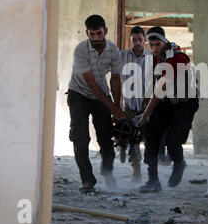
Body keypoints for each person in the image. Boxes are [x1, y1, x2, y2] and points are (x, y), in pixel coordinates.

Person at [67, 14, 127, 193]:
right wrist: (113, 108)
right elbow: (91, 83)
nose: (95, 38)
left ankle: (108, 174)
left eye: (99, 34)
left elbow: (116, 79)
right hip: (79, 94)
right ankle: (87, 180)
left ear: (105, 31)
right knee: (80, 138)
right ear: (87, 33)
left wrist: (118, 109)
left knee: (106, 138)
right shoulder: (80, 51)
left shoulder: (114, 51)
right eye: (91, 34)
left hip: (102, 96)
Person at [138, 26, 199, 193]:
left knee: (173, 140)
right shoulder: (159, 56)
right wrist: (146, 96)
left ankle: (179, 163)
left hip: (185, 102)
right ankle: (153, 181)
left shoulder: (177, 58)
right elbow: (155, 81)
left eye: (157, 44)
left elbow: (160, 89)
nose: (154, 48)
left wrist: (145, 115)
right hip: (167, 100)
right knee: (151, 135)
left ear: (165, 42)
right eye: (151, 45)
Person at [119, 26, 153, 182]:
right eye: (134, 40)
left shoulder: (153, 58)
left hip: (147, 109)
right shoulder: (122, 57)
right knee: (132, 143)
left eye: (140, 39)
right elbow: (114, 78)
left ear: (144, 39)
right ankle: (137, 172)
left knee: (151, 141)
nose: (138, 42)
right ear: (130, 40)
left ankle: (153, 174)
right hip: (130, 108)